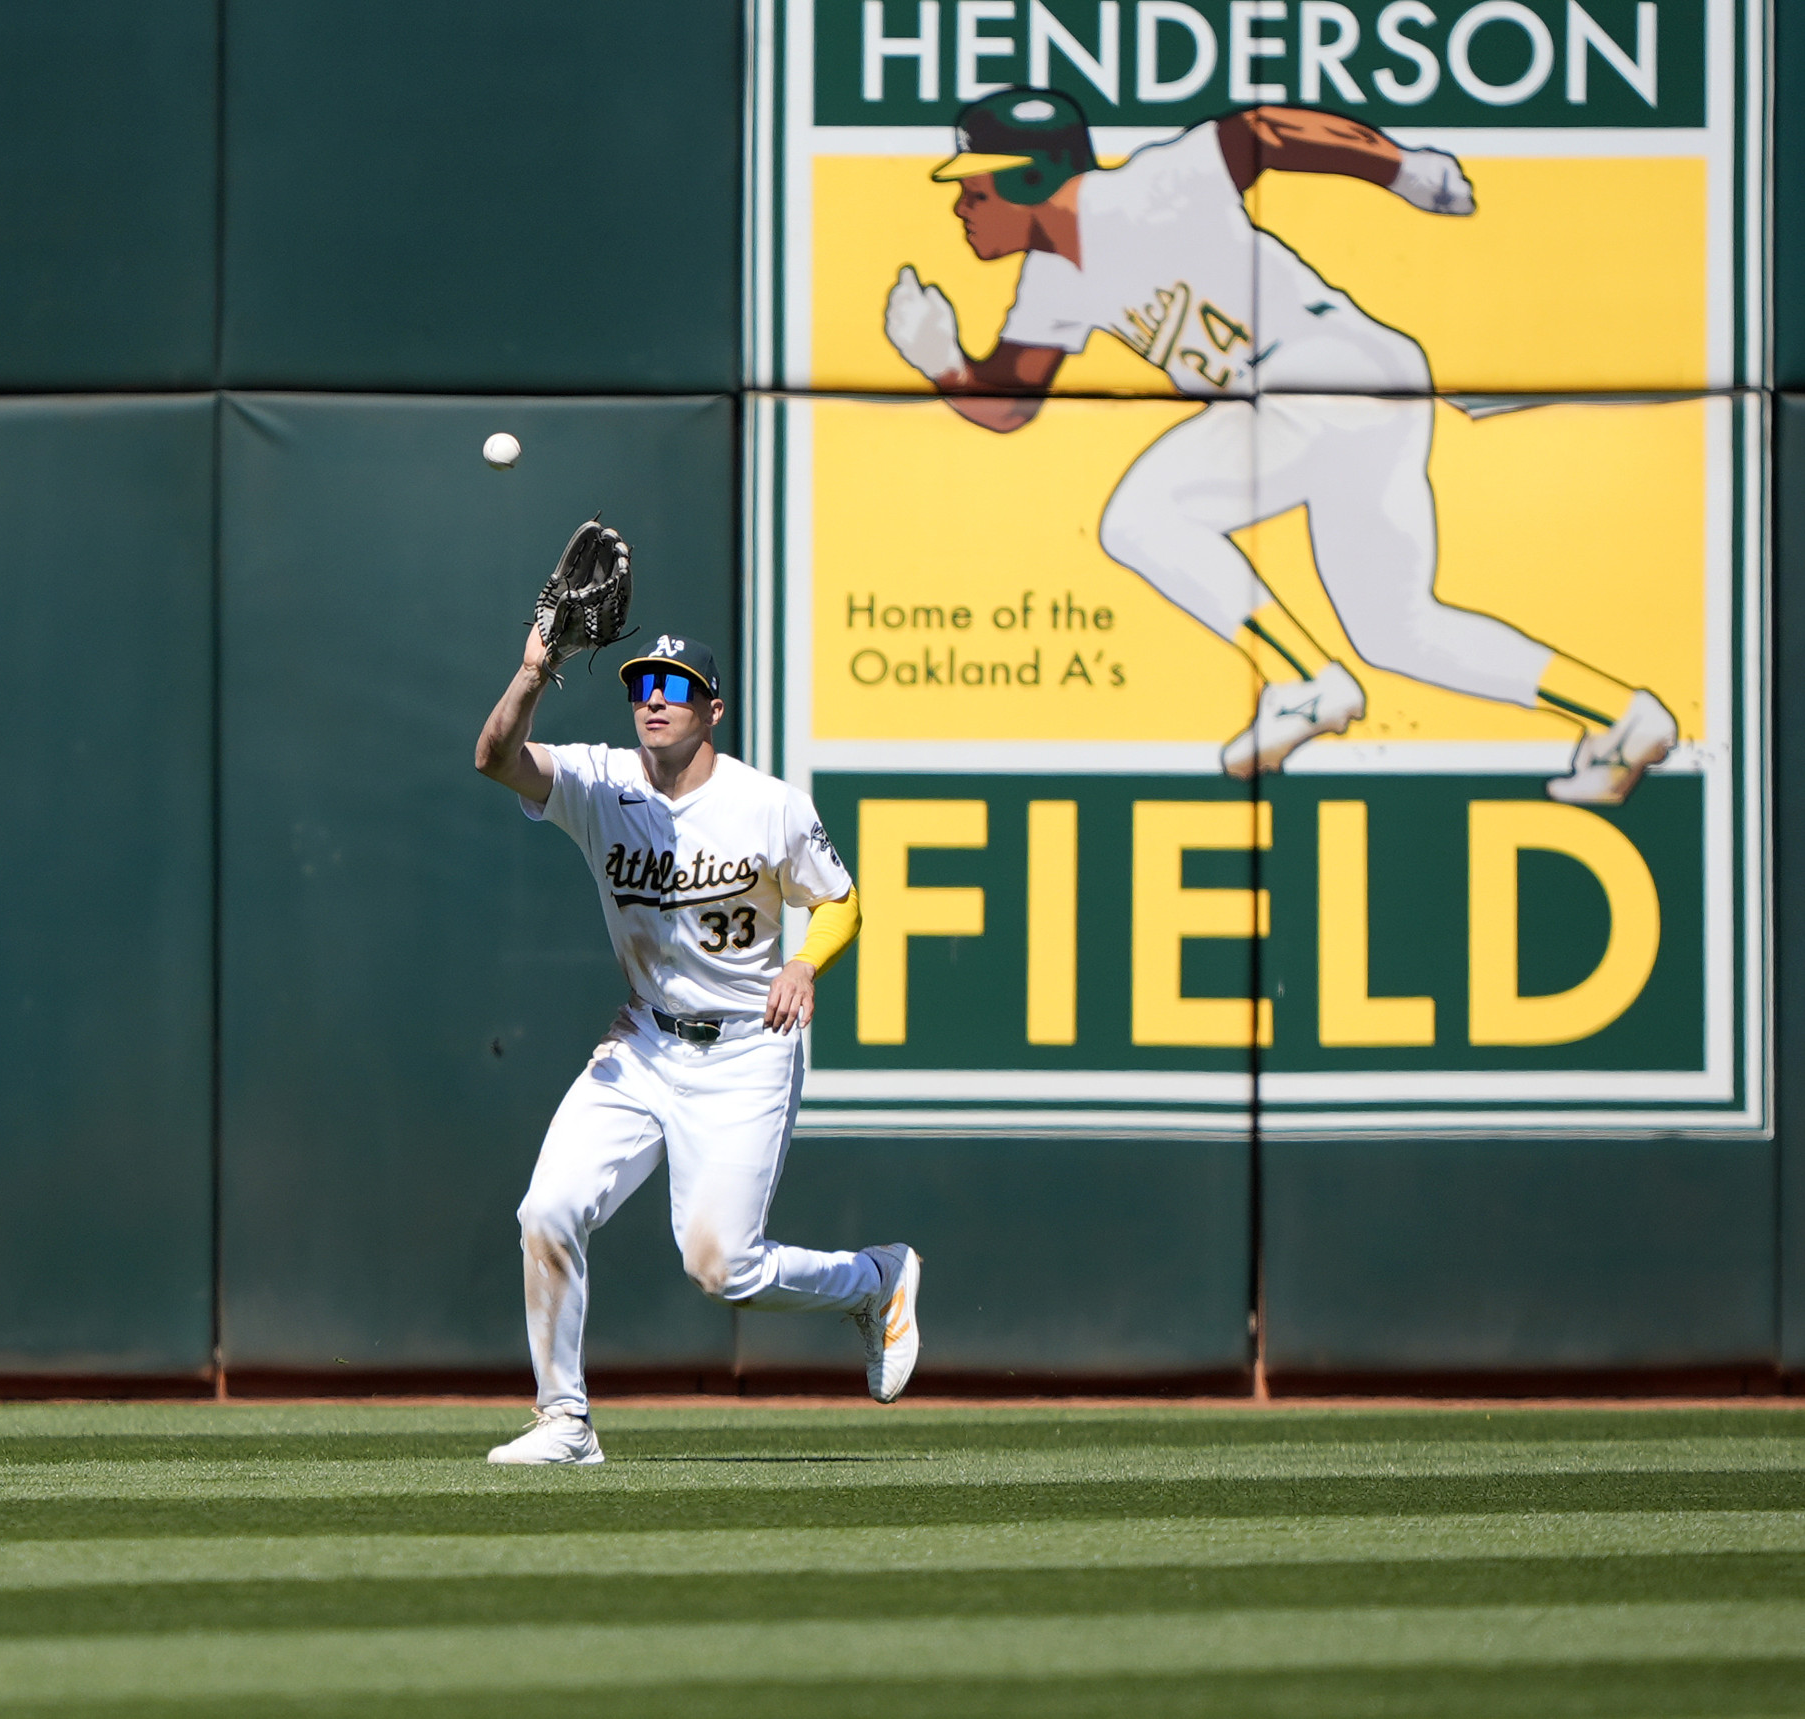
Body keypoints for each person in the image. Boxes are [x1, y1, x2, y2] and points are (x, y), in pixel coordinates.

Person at [882, 87, 1676, 806]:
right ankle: (1625, 713)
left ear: (1029, 176)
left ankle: (1302, 681)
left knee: (1141, 516)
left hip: (1326, 369)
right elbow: (1012, 407)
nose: (962, 204)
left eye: (975, 184)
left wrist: (1399, 167)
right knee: (1398, 631)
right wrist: (944, 362)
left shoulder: (1149, 187)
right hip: (1361, 392)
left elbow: (1266, 129)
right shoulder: (1053, 280)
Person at [472, 624, 921, 1465]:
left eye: (676, 687)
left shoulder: (767, 802)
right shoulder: (601, 781)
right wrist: (534, 670)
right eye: (644, 683)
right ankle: (564, 1422)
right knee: (549, 1208)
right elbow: (496, 756)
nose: (654, 698)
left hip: (749, 1046)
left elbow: (841, 901)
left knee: (721, 1267)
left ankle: (876, 1279)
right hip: (642, 1040)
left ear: (712, 709)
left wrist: (804, 962)